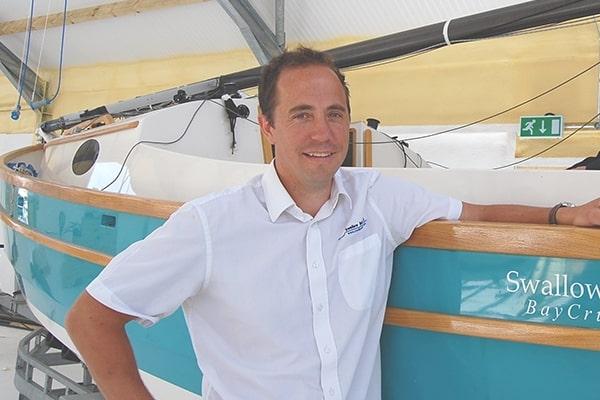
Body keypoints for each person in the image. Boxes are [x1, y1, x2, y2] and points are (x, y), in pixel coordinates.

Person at [65, 47, 600, 400]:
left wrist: (563, 215)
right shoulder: (210, 225)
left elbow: (477, 214)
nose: (323, 132)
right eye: (302, 115)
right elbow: (91, 319)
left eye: (334, 113)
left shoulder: (380, 199)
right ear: (268, 126)